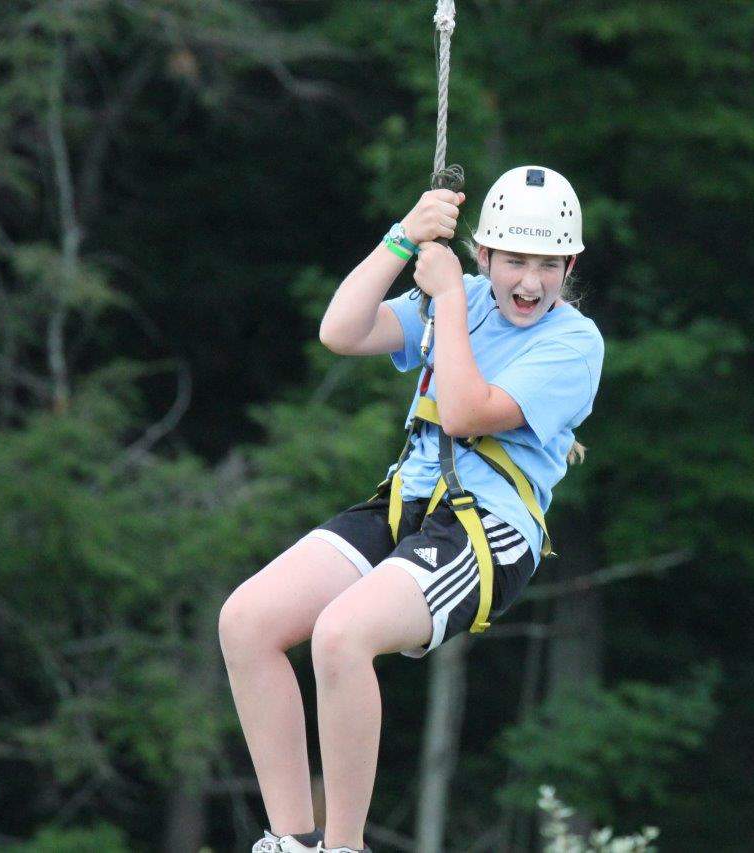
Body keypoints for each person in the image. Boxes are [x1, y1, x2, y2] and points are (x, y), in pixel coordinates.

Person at [218, 165, 604, 853]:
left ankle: (343, 848)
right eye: (513, 259)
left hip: (486, 529)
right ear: (485, 252)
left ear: (569, 264)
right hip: (409, 503)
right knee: (246, 621)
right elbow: (340, 330)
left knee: (341, 635)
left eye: (547, 265)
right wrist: (402, 238)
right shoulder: (464, 296)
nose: (528, 281)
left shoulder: (573, 344)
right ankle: (291, 840)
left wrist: (451, 298)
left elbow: (462, 412)